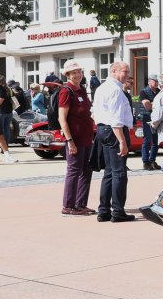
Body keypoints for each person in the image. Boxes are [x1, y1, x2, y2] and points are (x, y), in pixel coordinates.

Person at [91, 60, 135, 222]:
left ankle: (104, 210)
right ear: (114, 71)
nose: (127, 75)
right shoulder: (115, 90)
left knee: (110, 171)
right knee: (119, 172)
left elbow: (94, 112)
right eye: (125, 71)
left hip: (103, 129)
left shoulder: (102, 88)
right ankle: (117, 211)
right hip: (113, 130)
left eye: (128, 72)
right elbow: (116, 118)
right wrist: (122, 141)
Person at [57, 59, 95, 215]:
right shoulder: (66, 91)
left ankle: (80, 204)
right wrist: (69, 141)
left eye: (79, 72)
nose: (77, 75)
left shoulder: (81, 90)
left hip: (86, 138)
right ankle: (68, 206)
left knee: (86, 170)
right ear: (67, 75)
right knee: (74, 171)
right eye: (73, 73)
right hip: (75, 139)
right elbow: (62, 118)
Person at [137, 75, 161, 170]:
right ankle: (145, 162)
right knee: (147, 140)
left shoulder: (159, 91)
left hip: (157, 119)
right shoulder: (144, 92)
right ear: (149, 81)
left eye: (157, 81)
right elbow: (147, 106)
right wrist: (157, 105)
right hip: (147, 119)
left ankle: (152, 160)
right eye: (154, 81)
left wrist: (153, 104)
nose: (156, 83)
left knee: (156, 141)